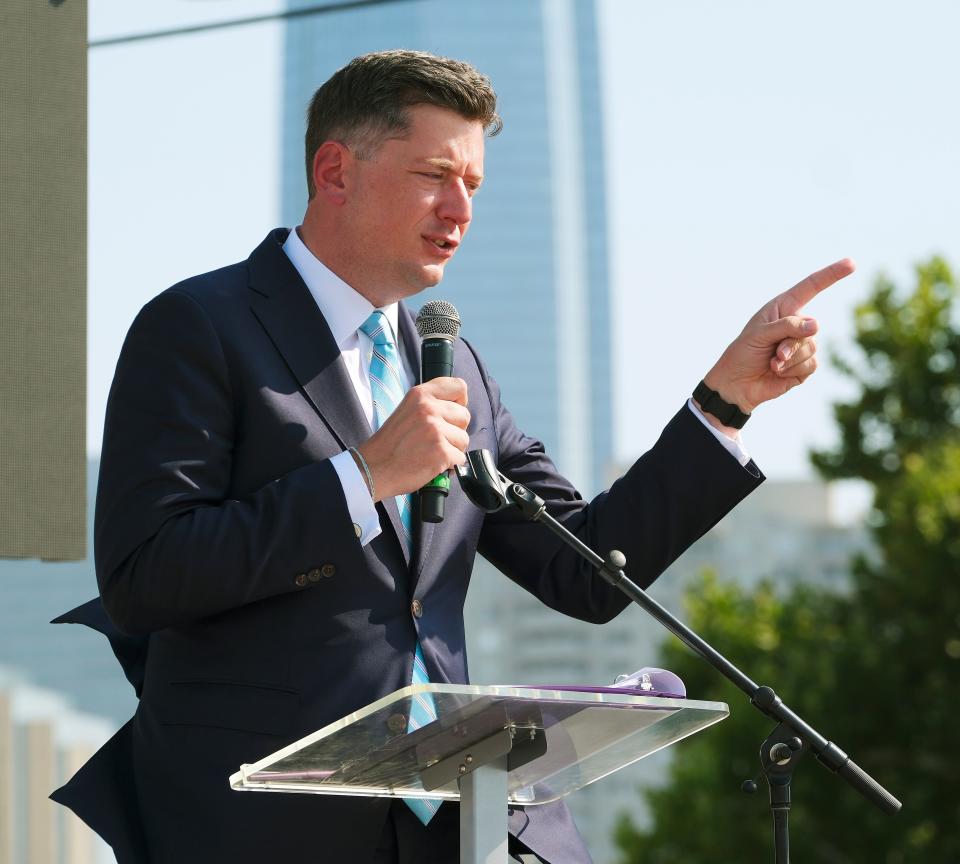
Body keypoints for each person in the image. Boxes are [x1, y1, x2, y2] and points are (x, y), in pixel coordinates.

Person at [52, 50, 854, 863]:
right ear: (336, 171)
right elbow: (144, 574)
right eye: (437, 174)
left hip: (458, 819)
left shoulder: (453, 362)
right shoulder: (198, 327)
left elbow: (586, 567)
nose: (461, 209)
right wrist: (361, 479)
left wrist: (723, 404)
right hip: (264, 823)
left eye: (474, 184)